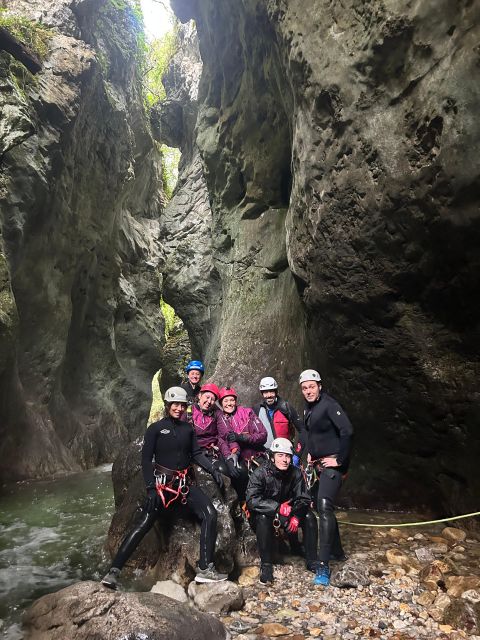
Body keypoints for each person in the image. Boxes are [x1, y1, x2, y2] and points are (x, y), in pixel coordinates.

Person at [101, 386, 227, 590]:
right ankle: (114, 571)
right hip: (162, 485)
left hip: (184, 484)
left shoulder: (188, 429)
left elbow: (196, 454)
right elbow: (145, 459)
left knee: (210, 514)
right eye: (175, 404)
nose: (178, 408)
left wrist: (213, 469)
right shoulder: (156, 429)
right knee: (144, 522)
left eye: (182, 405)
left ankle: (205, 569)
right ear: (168, 405)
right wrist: (151, 488)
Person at [300, 369, 353, 586]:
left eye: (312, 386)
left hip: (332, 466)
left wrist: (339, 461)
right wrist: (310, 453)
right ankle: (337, 551)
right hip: (318, 465)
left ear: (320, 386)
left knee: (323, 506)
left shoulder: (329, 405)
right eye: (305, 388)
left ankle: (323, 567)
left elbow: (347, 431)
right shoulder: (309, 408)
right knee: (322, 507)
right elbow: (315, 433)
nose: (308, 391)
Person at [246, 438, 322, 584]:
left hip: (289, 513)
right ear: (272, 456)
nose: (284, 460)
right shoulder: (260, 473)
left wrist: (297, 517)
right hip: (267, 514)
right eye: (280, 455)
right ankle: (266, 565)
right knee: (262, 518)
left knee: (309, 517)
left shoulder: (296, 473)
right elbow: (252, 500)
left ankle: (312, 560)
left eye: (287, 456)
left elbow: (304, 499)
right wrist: (277, 507)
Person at [217, 387, 267, 500]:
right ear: (221, 403)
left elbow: (263, 435)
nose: (229, 403)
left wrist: (242, 437)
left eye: (231, 400)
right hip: (239, 460)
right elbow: (222, 441)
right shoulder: (221, 420)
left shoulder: (247, 412)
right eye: (225, 401)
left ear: (236, 401)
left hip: (257, 457)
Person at [253, 376, 307, 464]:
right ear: (261, 393)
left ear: (276, 391)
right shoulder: (257, 410)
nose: (269, 395)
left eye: (271, 391)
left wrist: (297, 454)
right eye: (265, 392)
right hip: (266, 456)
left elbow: (303, 430)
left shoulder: (286, 408)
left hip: (285, 455)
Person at [188, 383, 229, 476]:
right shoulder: (188, 412)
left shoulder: (216, 413)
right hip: (194, 452)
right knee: (222, 469)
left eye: (212, 399)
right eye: (207, 397)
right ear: (199, 396)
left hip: (212, 450)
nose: (209, 401)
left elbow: (224, 434)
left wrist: (228, 455)